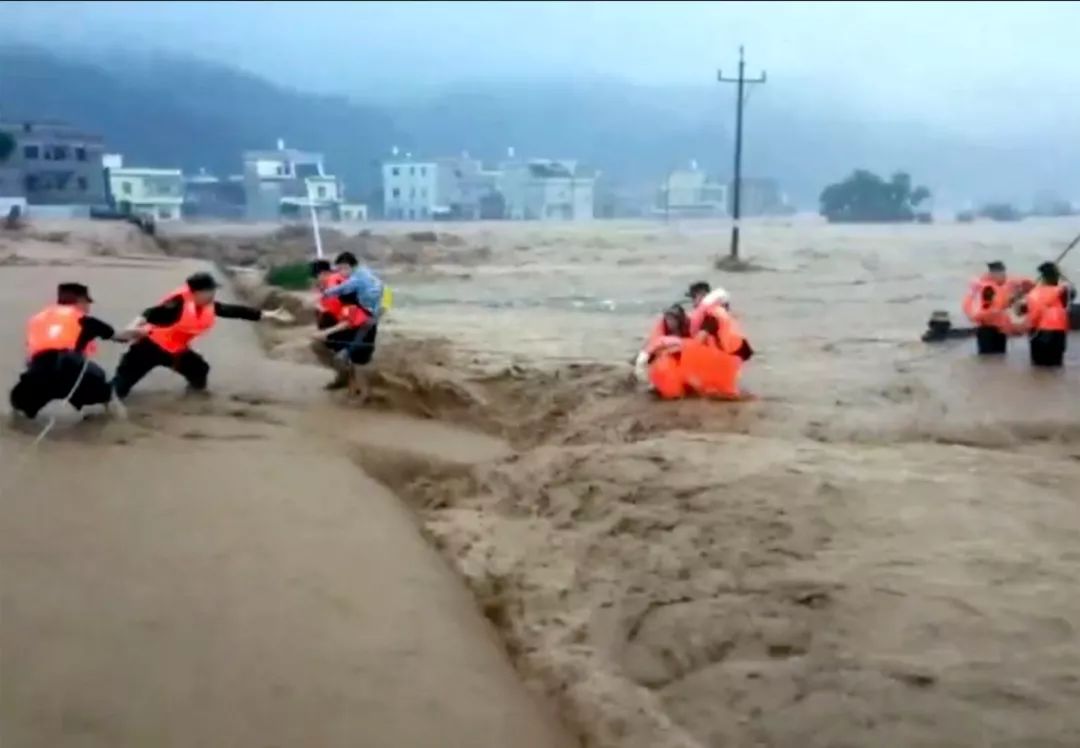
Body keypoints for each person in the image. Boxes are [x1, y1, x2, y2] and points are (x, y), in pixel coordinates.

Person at [111, 272, 290, 400]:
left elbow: (233, 311)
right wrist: (132, 327)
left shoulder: (208, 305)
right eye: (210, 291)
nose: (213, 294)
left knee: (199, 369)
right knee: (121, 386)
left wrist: (267, 314)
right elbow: (149, 313)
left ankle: (194, 399)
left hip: (175, 352)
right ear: (197, 292)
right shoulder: (177, 304)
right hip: (148, 348)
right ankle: (102, 401)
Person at [9, 283, 139, 419]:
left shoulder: (37, 319)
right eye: (88, 303)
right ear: (81, 300)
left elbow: (31, 351)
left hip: (37, 373)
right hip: (69, 370)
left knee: (20, 406)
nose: (88, 308)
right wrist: (140, 332)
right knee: (104, 386)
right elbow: (121, 337)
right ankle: (121, 424)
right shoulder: (84, 320)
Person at [683, 281, 754, 399]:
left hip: (726, 360)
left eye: (693, 297)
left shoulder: (711, 316)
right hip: (737, 355)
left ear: (701, 295)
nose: (693, 302)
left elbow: (698, 341)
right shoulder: (720, 311)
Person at [310, 291, 378, 397]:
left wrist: (325, 333)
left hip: (361, 344)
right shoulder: (360, 308)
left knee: (357, 369)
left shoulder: (353, 308)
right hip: (359, 342)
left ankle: (362, 396)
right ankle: (354, 392)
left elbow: (347, 323)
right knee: (353, 368)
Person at [962, 261, 1033, 355]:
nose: (1004, 277)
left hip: (1000, 329)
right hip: (987, 330)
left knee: (999, 358)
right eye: (1002, 275)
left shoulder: (1002, 285)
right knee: (988, 358)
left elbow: (1023, 283)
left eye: (1004, 274)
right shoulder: (985, 287)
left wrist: (1021, 290)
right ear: (993, 274)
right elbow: (982, 308)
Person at [633, 304, 689, 399]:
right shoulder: (662, 332)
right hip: (661, 357)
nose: (669, 322)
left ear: (679, 320)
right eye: (668, 319)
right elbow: (653, 348)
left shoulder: (688, 330)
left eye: (672, 319)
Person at [1024, 262, 1073, 368]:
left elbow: (1033, 315)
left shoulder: (1034, 293)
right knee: (1056, 366)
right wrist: (1060, 274)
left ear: (1042, 278)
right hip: (1059, 333)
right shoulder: (1063, 291)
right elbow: (1072, 290)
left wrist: (1028, 328)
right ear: (1057, 276)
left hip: (1039, 332)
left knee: (1038, 368)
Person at [323, 251, 386, 321]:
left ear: (346, 266)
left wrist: (325, 293)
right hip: (378, 303)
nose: (340, 272)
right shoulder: (364, 270)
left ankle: (350, 320)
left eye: (340, 269)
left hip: (368, 307)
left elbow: (342, 289)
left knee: (345, 297)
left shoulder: (356, 278)